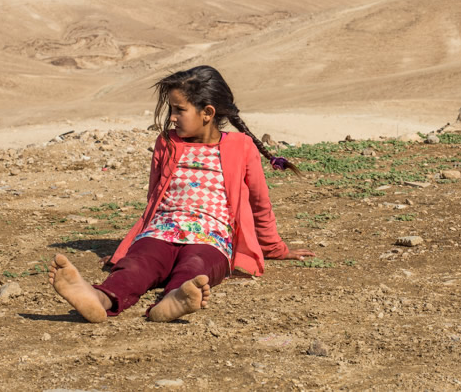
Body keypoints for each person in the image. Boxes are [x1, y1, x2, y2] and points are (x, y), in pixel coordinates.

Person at [48, 65, 314, 322]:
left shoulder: (241, 147)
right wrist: (126, 252)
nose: (172, 117)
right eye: (171, 110)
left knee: (196, 267)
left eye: (179, 109)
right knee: (138, 264)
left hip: (212, 238)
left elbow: (259, 203)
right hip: (162, 230)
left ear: (207, 113)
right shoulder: (167, 143)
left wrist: (275, 248)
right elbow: (154, 199)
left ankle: (173, 300)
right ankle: (99, 298)